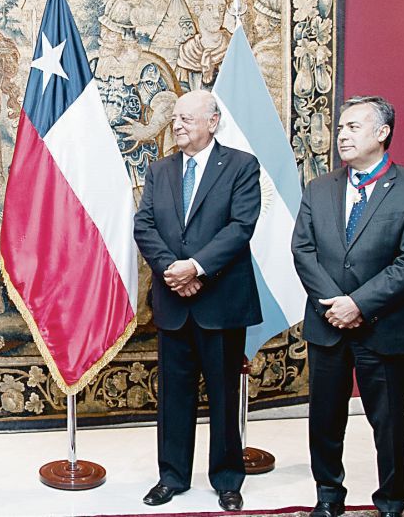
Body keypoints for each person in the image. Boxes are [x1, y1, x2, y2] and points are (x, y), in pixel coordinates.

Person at [291, 96, 404, 517]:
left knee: (389, 424)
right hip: (327, 325)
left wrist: (357, 303)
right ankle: (328, 496)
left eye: (353, 127)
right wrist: (333, 306)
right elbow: (303, 251)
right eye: (340, 128)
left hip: (384, 328)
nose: (341, 135)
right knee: (324, 421)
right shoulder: (319, 188)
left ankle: (391, 501)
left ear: (382, 133)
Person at [133, 90, 262, 512]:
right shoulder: (160, 170)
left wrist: (197, 268)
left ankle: (227, 480)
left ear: (213, 121)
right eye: (174, 118)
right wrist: (174, 269)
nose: (178, 125)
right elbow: (145, 224)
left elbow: (240, 227)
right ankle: (171, 477)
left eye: (187, 118)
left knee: (225, 397)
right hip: (173, 300)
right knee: (173, 396)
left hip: (221, 302)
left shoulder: (241, 166)